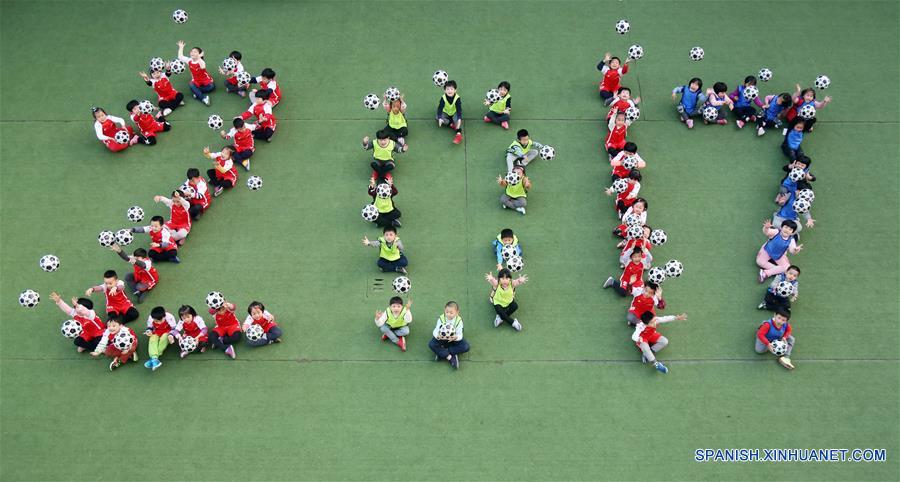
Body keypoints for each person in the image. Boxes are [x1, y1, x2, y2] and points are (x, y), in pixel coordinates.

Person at [428, 301, 469, 370]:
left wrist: (456, 337)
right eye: (447, 312)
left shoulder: (459, 321)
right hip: (443, 338)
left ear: (457, 312)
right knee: (431, 344)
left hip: (453, 339)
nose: (448, 314)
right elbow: (436, 330)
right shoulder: (441, 318)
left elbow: (460, 335)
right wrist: (438, 336)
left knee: (466, 347)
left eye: (451, 313)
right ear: (444, 310)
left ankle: (441, 353)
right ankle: (450, 357)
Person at [176, 40, 214, 105]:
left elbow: (202, 67)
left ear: (199, 54)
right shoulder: (189, 60)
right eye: (192, 51)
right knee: (191, 85)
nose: (192, 53)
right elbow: (180, 56)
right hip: (196, 81)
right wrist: (181, 47)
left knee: (211, 87)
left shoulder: (201, 61)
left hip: (205, 80)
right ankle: (204, 98)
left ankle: (197, 93)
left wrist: (199, 57)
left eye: (195, 52)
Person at [143, 306, 176, 371]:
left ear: (164, 316)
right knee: (152, 339)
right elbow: (149, 327)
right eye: (156, 321)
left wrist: (171, 335)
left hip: (168, 332)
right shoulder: (150, 318)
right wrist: (148, 331)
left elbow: (174, 328)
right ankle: (155, 359)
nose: (158, 323)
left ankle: (154, 358)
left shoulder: (170, 317)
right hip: (157, 332)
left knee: (164, 338)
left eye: (160, 321)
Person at [436, 80, 463, 144]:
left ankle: (458, 135)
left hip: (454, 112)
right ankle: (451, 124)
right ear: (444, 90)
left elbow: (459, 110)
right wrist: (440, 118)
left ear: (455, 90)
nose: (449, 91)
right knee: (437, 117)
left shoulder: (457, 98)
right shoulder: (443, 98)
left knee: (457, 121)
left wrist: (459, 118)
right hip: (445, 112)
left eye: (451, 89)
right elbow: (439, 109)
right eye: (447, 89)